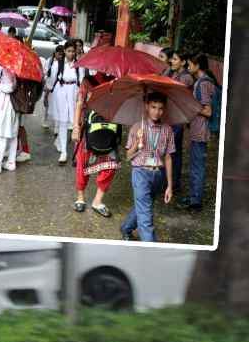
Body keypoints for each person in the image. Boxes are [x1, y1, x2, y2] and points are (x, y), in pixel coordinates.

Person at [120, 92, 174, 241]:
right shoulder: (137, 127)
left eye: (160, 108)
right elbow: (128, 156)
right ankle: (151, 248)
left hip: (158, 175)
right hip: (140, 173)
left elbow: (168, 157)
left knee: (144, 205)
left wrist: (169, 185)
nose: (157, 112)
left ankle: (126, 228)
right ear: (146, 107)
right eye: (153, 107)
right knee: (146, 217)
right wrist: (137, 143)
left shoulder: (167, 130)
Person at [71, 71, 121, 217]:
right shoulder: (87, 81)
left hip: (109, 129)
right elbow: (80, 104)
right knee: (82, 163)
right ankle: (80, 198)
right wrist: (75, 127)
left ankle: (97, 201)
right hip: (87, 129)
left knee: (111, 165)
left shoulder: (115, 82)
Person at [184, 53, 218, 212]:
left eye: (190, 64)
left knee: (197, 166)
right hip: (199, 130)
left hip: (201, 131)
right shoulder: (203, 82)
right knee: (196, 164)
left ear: (197, 65)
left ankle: (195, 200)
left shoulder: (202, 84)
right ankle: (193, 196)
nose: (188, 66)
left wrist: (191, 106)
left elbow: (208, 111)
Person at [160, 47, 193, 194]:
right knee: (172, 150)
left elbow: (174, 93)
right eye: (171, 58)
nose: (171, 61)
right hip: (171, 117)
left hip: (177, 118)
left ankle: (173, 183)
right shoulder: (173, 72)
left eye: (174, 59)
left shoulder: (186, 78)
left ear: (184, 62)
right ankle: (170, 182)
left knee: (173, 151)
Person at [44, 43, 80, 164]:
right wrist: (47, 92)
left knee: (75, 123)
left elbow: (82, 81)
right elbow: (51, 80)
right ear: (64, 51)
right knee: (63, 122)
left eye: (73, 51)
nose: (71, 53)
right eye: (69, 51)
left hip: (74, 92)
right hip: (62, 92)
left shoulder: (79, 65)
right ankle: (64, 151)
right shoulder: (58, 64)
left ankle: (76, 152)